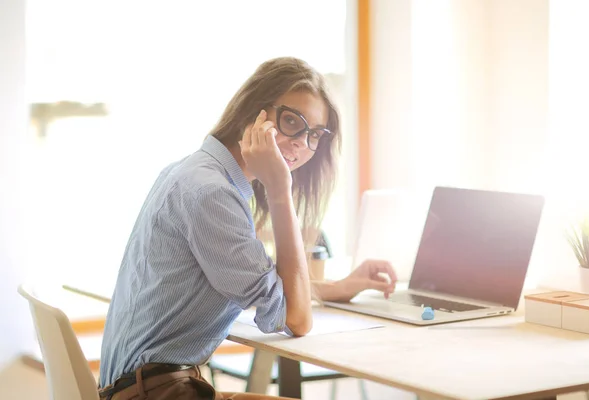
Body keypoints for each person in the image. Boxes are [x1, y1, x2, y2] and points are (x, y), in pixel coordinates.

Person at [98, 57, 397, 400]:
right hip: (156, 394)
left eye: (315, 134)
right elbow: (298, 319)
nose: (302, 143)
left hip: (148, 387)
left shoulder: (194, 172)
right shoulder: (212, 193)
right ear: (251, 112)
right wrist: (280, 191)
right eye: (291, 122)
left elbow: (261, 286)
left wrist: (338, 287)